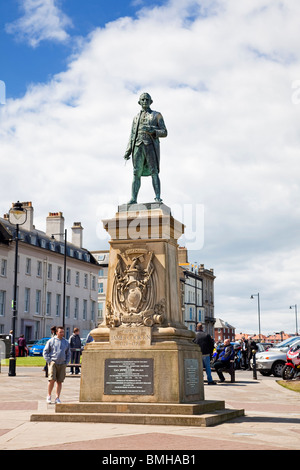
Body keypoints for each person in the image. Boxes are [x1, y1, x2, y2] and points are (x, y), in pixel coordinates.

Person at [124, 92, 167, 204]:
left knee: (154, 171)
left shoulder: (157, 115)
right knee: (136, 173)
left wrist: (154, 131)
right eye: (142, 100)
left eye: (147, 99)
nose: (144, 101)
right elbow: (132, 134)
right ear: (139, 102)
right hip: (138, 145)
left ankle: (157, 197)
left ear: (150, 101)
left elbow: (164, 132)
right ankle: (133, 198)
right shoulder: (135, 117)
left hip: (150, 145)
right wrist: (128, 150)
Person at [43, 326, 70, 404]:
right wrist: (49, 361)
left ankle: (57, 398)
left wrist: (66, 362)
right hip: (53, 363)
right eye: (60, 332)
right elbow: (45, 351)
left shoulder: (66, 342)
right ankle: (49, 396)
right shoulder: (51, 341)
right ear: (56, 332)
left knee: (59, 381)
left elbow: (68, 353)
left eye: (63, 332)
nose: (62, 333)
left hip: (62, 364)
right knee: (51, 380)